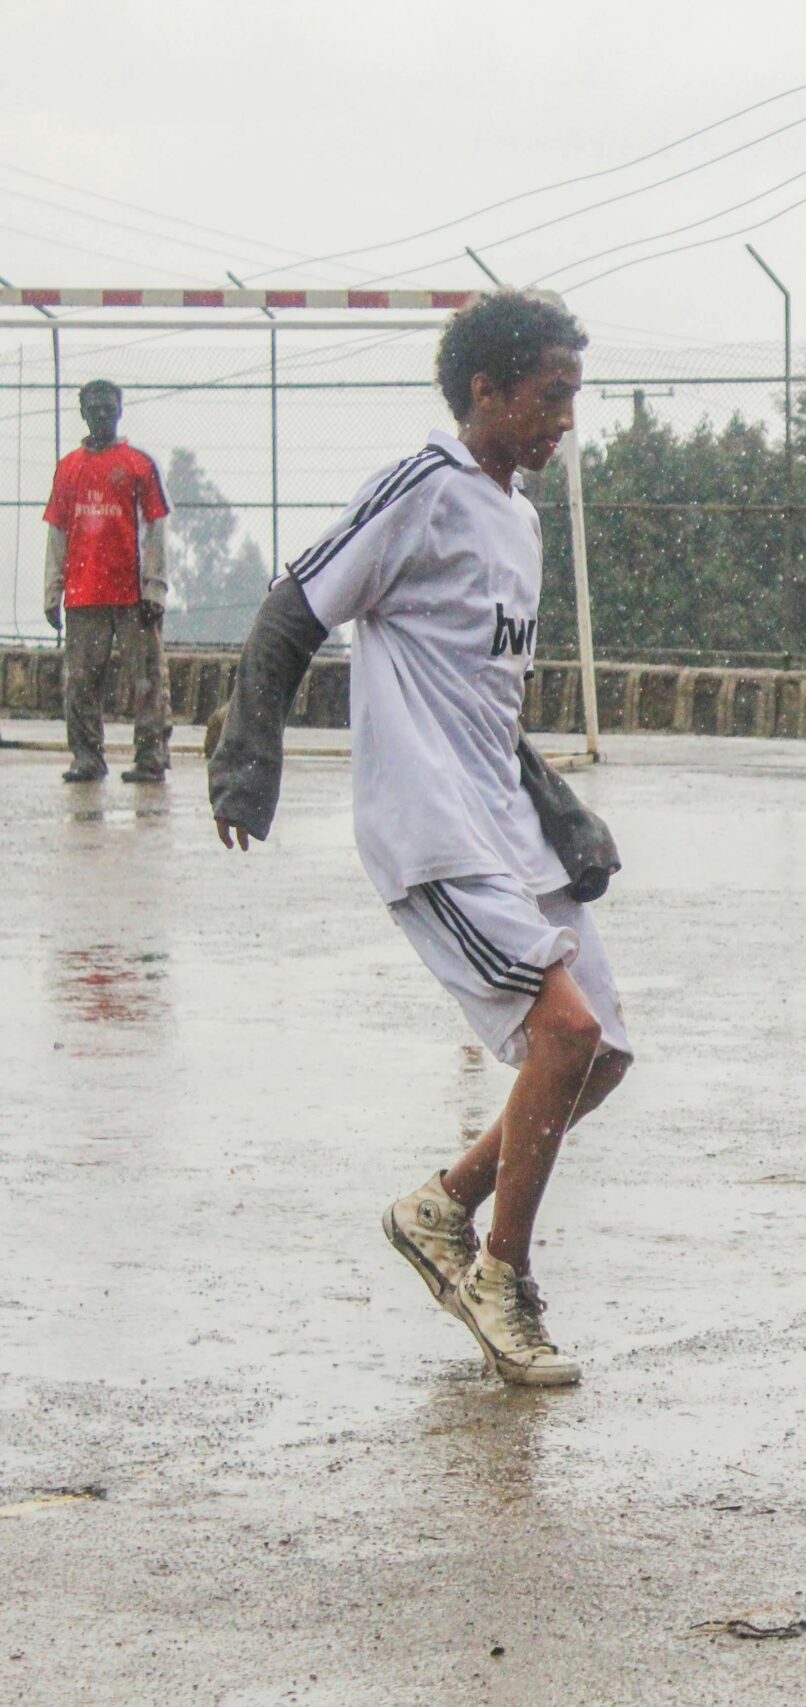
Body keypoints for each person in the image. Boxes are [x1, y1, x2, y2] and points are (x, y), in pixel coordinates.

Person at [209, 291, 630, 1389]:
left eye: (574, 398)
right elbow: (293, 605)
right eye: (551, 397)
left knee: (603, 1058)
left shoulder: (519, 516)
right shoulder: (420, 488)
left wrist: (555, 802)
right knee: (567, 1034)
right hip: (431, 828)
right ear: (484, 389)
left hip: (504, 820)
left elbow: (483, 694)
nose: (565, 422)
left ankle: (440, 1208)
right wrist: (247, 758)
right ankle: (501, 1276)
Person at [44, 379, 172, 784]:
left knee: (147, 679)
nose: (101, 413)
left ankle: (151, 757)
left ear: (119, 411)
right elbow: (58, 533)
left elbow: (155, 528)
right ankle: (87, 756)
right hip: (83, 595)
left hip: (133, 595)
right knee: (80, 683)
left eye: (108, 407)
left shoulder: (138, 464)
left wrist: (154, 587)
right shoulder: (68, 468)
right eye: (94, 407)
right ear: (83, 412)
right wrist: (53, 591)